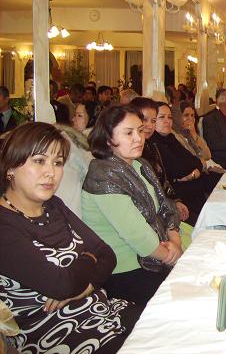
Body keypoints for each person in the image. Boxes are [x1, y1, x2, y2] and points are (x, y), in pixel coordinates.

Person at [0, 122, 141, 353]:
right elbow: (62, 285)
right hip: (57, 333)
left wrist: (84, 288)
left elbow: (108, 255)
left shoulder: (53, 206)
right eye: (39, 161)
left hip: (103, 310)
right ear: (10, 167)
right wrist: (89, 257)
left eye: (57, 163)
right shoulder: (4, 227)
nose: (51, 173)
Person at [82, 105, 182, 306]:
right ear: (108, 139)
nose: (139, 138)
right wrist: (172, 256)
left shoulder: (139, 164)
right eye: (128, 133)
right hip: (125, 268)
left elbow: (165, 205)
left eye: (140, 130)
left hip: (158, 250)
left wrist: (175, 241)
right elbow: (136, 235)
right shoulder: (103, 174)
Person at [129, 97, 190, 223]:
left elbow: (163, 181)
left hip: (164, 207)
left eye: (153, 121)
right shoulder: (131, 151)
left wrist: (176, 201)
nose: (149, 125)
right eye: (144, 120)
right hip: (151, 216)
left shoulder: (151, 145)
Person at [149, 102, 210, 226]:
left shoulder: (170, 138)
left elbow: (196, 160)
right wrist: (193, 169)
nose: (167, 121)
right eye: (162, 117)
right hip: (177, 196)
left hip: (191, 190)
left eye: (169, 117)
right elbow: (177, 169)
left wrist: (192, 174)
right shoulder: (153, 142)